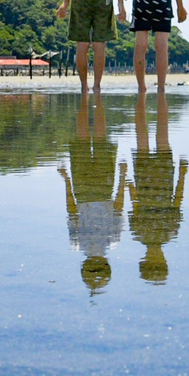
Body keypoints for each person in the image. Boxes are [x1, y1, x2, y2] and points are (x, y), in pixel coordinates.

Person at [58, 90, 127, 295]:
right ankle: (90, 98)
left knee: (96, 138)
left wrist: (122, 177)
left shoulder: (110, 241)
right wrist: (67, 179)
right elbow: (72, 209)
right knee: (90, 138)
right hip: (87, 188)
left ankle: (88, 97)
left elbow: (117, 206)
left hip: (99, 188)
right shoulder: (78, 243)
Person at [129, 90, 188, 283]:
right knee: (150, 136)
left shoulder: (168, 232)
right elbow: (175, 200)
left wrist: (182, 174)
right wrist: (182, 174)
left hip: (155, 180)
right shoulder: (143, 233)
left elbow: (136, 204)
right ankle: (156, 100)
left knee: (157, 137)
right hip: (156, 180)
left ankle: (150, 100)